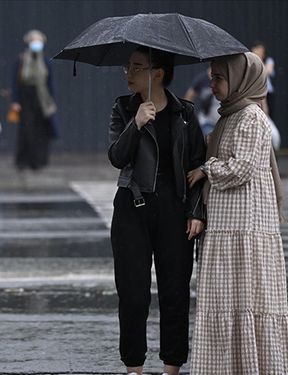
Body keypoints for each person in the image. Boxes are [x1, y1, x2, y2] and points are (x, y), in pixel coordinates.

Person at [187, 52, 288, 374]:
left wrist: (206, 167)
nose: (212, 84)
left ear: (240, 80)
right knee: (227, 302)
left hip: (245, 225)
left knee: (245, 302)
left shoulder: (250, 117)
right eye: (211, 76)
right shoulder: (229, 115)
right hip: (228, 224)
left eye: (219, 77)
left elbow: (241, 167)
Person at [107, 46, 206, 375]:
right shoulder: (123, 107)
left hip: (174, 210)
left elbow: (196, 168)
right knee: (133, 295)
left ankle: (171, 368)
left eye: (136, 67)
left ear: (158, 73)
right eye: (127, 67)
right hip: (132, 207)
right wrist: (135, 124)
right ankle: (133, 368)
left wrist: (196, 212)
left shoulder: (186, 114)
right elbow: (117, 157)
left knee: (175, 294)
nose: (128, 73)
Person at [10, 29, 57, 171]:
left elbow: (50, 82)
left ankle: (38, 161)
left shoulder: (45, 61)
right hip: (26, 96)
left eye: (39, 41)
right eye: (34, 41)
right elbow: (15, 81)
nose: (37, 44)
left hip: (42, 97)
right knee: (26, 129)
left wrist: (51, 100)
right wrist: (15, 100)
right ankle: (23, 161)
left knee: (41, 130)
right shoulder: (22, 59)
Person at [183, 67, 220, 136]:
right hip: (207, 120)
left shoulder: (224, 79)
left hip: (221, 120)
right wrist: (190, 115)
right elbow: (188, 98)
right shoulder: (202, 79)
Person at [251, 41, 276, 117]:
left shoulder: (269, 60)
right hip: (256, 90)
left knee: (269, 112)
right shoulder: (252, 61)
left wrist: (259, 59)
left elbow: (267, 71)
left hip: (267, 90)